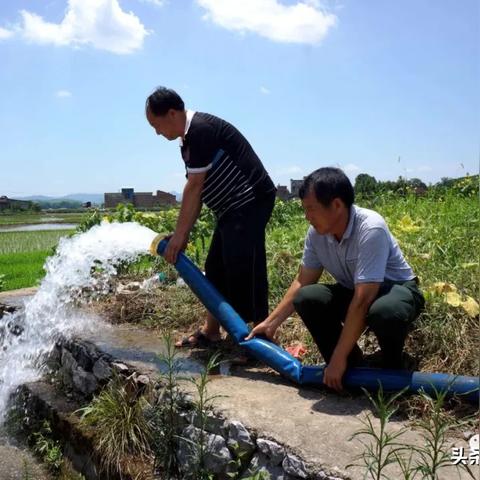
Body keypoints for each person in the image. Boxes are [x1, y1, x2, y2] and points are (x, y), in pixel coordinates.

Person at [247, 167, 424, 391]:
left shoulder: (370, 227)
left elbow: (363, 300)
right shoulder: (317, 234)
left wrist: (336, 359)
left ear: (337, 205)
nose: (306, 217)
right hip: (357, 291)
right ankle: (352, 366)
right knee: (307, 297)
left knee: (385, 311)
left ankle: (392, 368)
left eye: (311, 209)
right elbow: (303, 281)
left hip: (395, 291)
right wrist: (270, 324)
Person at [145, 87, 276, 347]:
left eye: (156, 125)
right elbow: (199, 191)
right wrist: (181, 232)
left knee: (243, 267)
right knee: (216, 267)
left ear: (172, 114)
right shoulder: (188, 140)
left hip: (249, 200)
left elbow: (194, 187)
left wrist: (180, 236)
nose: (156, 132)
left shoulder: (201, 129)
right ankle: (211, 331)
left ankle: (259, 338)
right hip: (230, 207)